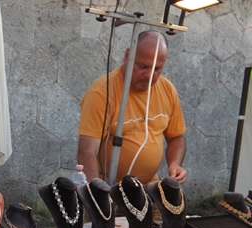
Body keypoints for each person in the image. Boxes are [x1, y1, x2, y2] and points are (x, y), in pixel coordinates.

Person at [77, 30, 187, 186]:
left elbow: (176, 137)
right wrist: (98, 193)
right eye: (142, 66)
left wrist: (175, 164)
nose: (149, 75)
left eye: (157, 69)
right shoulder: (102, 92)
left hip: (149, 186)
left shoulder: (167, 90)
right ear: (127, 56)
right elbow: (87, 151)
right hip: (110, 186)